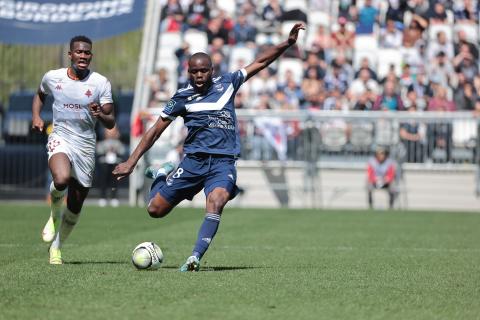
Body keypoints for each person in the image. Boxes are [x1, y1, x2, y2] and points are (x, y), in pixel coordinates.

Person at [113, 23, 305, 272]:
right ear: (188, 72)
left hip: (223, 162)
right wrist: (131, 161)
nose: (199, 75)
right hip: (193, 162)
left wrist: (287, 43)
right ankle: (162, 174)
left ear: (212, 71)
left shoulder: (228, 83)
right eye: (195, 71)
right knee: (155, 210)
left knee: (216, 200)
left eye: (204, 70)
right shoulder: (181, 97)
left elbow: (260, 62)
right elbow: (155, 131)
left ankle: (195, 256)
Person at [31, 35, 115, 264]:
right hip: (61, 136)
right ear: (71, 54)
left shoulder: (100, 83)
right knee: (61, 178)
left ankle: (56, 247)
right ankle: (53, 215)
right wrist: (37, 116)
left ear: (91, 56)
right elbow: (40, 94)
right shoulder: (53, 77)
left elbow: (111, 121)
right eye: (79, 52)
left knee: (76, 203)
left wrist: (100, 114)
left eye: (87, 53)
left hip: (86, 144)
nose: (83, 56)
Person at [97, 126, 126, 207]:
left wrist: (115, 151)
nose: (111, 133)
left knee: (114, 181)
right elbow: (99, 152)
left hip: (115, 163)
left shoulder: (118, 143)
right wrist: (106, 151)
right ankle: (103, 197)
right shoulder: (102, 143)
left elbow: (122, 152)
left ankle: (114, 197)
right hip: (104, 163)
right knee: (103, 180)